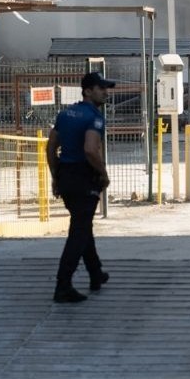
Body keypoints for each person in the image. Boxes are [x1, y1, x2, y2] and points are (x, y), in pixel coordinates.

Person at [46, 71, 114, 303]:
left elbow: (51, 146)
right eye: (101, 88)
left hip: (66, 175)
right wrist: (103, 173)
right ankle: (62, 284)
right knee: (79, 231)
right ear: (87, 91)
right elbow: (90, 149)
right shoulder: (94, 118)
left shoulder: (65, 114)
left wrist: (56, 175)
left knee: (83, 225)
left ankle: (96, 273)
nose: (105, 92)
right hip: (85, 178)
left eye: (106, 88)